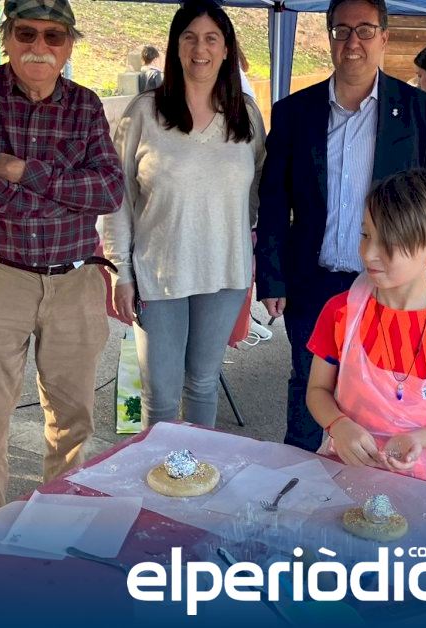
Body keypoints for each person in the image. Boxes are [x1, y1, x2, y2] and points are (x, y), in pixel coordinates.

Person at [0, 0, 123, 519]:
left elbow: (109, 191)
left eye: (53, 35)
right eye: (26, 33)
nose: (39, 47)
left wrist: (25, 172)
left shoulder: (85, 105)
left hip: (74, 280)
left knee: (74, 418)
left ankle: (57, 524)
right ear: (6, 38)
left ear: (68, 45)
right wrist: (67, 194)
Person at [256, 0, 426, 453]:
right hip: (313, 282)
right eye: (341, 31)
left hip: (387, 284)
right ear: (330, 38)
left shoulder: (419, 110)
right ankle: (299, 480)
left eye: (365, 30)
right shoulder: (293, 113)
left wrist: (425, 277)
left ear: (384, 37)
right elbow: (274, 199)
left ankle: (374, 486)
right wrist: (272, 276)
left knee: (383, 393)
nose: (352, 42)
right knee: (310, 386)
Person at [101, 0, 265, 429]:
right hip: (159, 274)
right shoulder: (144, 113)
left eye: (211, 38)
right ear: (176, 47)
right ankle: (158, 472)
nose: (200, 49)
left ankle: (197, 468)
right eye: (189, 38)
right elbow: (118, 198)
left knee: (204, 384)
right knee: (160, 396)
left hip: (224, 274)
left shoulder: (246, 116)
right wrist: (121, 272)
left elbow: (257, 191)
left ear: (227, 49)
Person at [306, 169, 426, 485]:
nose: (369, 253)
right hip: (346, 470)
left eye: (390, 242)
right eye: (366, 235)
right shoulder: (340, 311)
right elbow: (317, 390)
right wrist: (338, 424)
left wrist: (420, 439)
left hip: (425, 482)